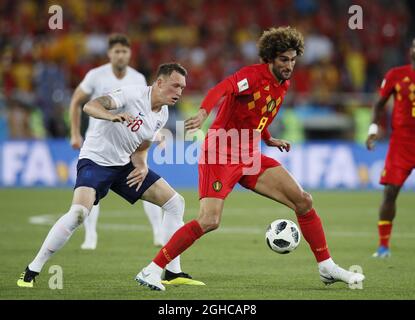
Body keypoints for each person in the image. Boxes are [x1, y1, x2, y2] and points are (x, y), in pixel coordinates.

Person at [136, 27, 365, 291]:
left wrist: (268, 139)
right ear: (270, 58)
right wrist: (202, 113)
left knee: (303, 201)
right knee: (209, 220)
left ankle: (326, 266)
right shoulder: (251, 76)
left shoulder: (283, 84)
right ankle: (152, 270)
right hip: (220, 152)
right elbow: (221, 89)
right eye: (283, 60)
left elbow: (258, 115)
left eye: (292, 59)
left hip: (249, 155)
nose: (289, 65)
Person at [17, 63, 204, 288]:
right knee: (78, 214)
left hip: (124, 165)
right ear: (160, 82)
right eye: (175, 86)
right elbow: (90, 106)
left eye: (183, 88)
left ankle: (172, 272)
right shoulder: (132, 94)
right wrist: (110, 116)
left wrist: (142, 165)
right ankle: (32, 269)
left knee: (175, 203)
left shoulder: (161, 114)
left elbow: (142, 144)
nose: (180, 92)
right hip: (95, 161)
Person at [69, 33, 164, 249]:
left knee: (144, 180)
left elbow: (147, 113)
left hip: (129, 145)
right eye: (116, 51)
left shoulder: (137, 79)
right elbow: (77, 100)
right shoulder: (96, 75)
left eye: (124, 51)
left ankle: (158, 233)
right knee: (90, 189)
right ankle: (90, 236)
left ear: (130, 54)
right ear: (109, 54)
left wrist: (154, 134)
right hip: (99, 144)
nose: (120, 55)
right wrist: (74, 133)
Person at [366, 38, 415, 258]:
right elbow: (379, 103)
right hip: (402, 143)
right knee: (390, 192)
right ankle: (383, 246)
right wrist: (373, 129)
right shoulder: (396, 74)